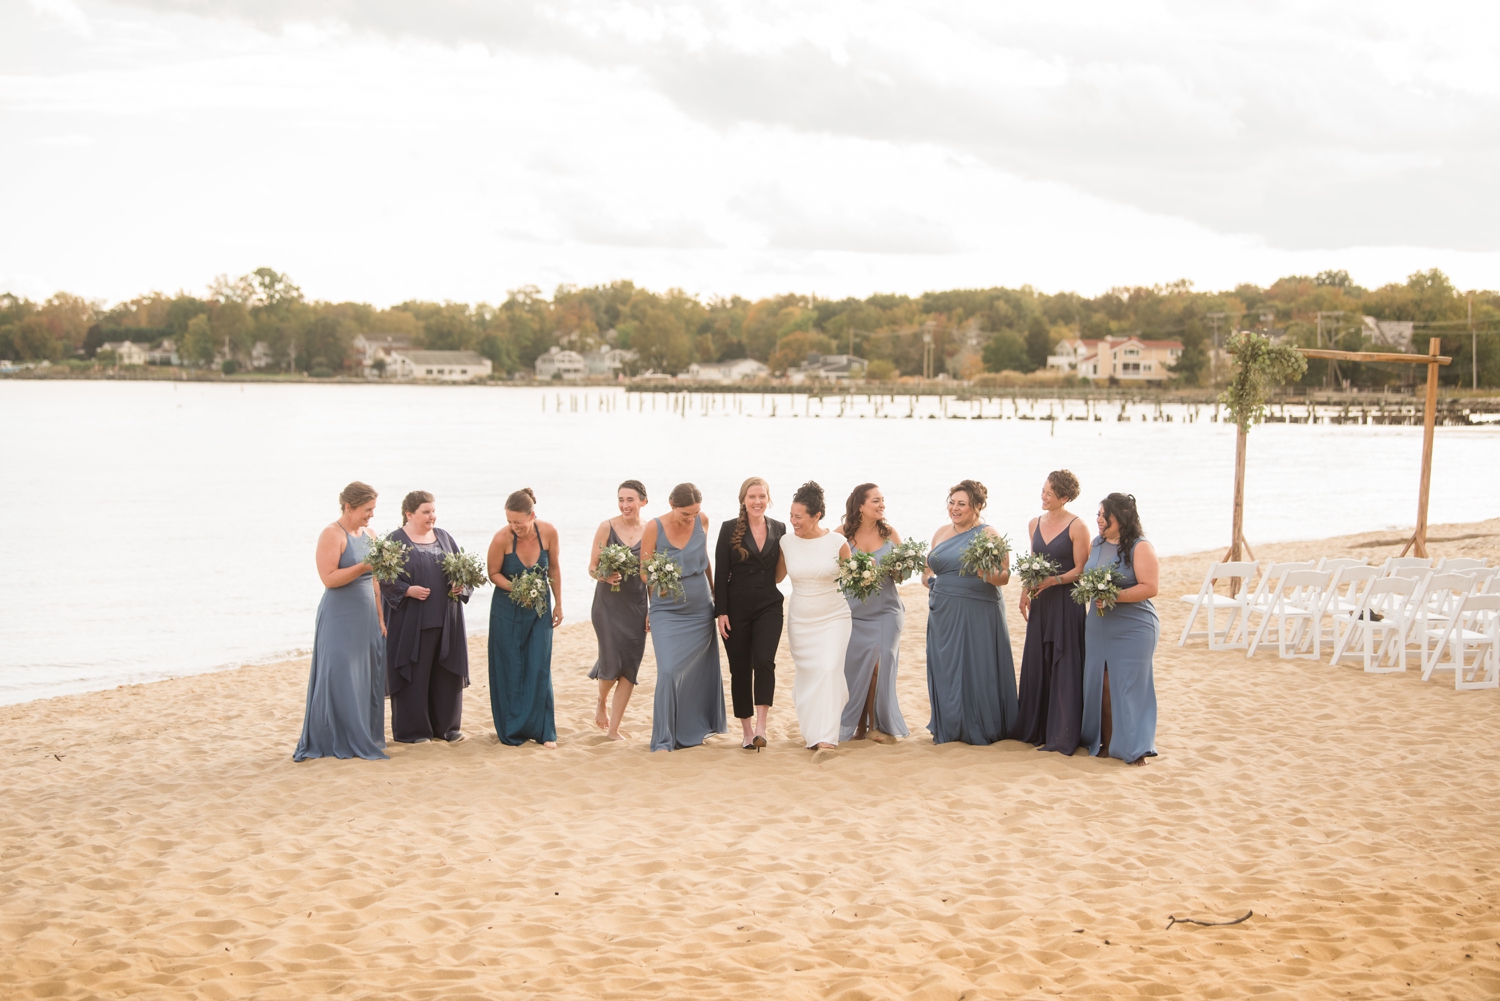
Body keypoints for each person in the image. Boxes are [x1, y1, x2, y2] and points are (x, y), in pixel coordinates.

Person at [294, 481, 388, 762]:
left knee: (365, 676)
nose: (371, 515)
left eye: (373, 509)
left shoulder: (369, 533)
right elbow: (329, 578)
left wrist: (381, 618)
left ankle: (364, 734)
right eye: (366, 509)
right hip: (339, 616)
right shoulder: (331, 534)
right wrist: (363, 566)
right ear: (349, 506)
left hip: (367, 616)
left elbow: (375, 581)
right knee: (339, 674)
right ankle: (334, 737)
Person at [922, 479, 1018, 745]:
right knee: (946, 668)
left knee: (976, 667)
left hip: (977, 609)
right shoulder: (941, 532)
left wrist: (986, 573)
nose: (955, 508)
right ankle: (951, 726)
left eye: (961, 504)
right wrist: (928, 579)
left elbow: (1005, 576)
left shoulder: (989, 534)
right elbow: (928, 571)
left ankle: (980, 726)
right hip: (943, 610)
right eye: (952, 502)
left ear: (977, 506)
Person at [641, 483, 727, 751]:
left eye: (695, 513)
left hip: (700, 606)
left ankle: (693, 729)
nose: (690, 518)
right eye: (685, 514)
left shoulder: (703, 520)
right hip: (666, 608)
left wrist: (716, 596)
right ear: (671, 504)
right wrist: (656, 587)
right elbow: (644, 571)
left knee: (697, 672)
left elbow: (704, 558)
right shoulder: (654, 527)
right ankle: (664, 737)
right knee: (668, 671)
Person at [381, 491, 470, 744]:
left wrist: (460, 586)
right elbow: (384, 579)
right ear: (409, 514)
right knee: (415, 674)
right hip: (412, 620)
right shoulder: (394, 541)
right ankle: (414, 732)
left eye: (433, 511)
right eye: (426, 512)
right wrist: (407, 590)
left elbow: (463, 571)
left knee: (446, 673)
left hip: (447, 619)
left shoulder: (443, 537)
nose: (432, 516)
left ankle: (447, 728)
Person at [1079, 493, 1160, 766]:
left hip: (1134, 626)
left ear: (1121, 518)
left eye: (1105, 516)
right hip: (1099, 624)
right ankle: (1107, 741)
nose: (1099, 520)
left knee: (1128, 685)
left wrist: (1114, 597)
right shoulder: (1097, 543)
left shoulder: (1140, 547)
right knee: (1101, 684)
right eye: (1099, 515)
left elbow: (1150, 587)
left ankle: (1135, 748)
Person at [1015, 470, 1091, 754]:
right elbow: (1033, 560)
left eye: (1049, 493)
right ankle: (1036, 727)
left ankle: (1062, 731)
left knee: (1064, 661)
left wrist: (1055, 581)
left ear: (1064, 497)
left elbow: (1081, 569)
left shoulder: (1077, 526)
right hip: (1041, 601)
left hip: (1066, 602)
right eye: (1043, 491)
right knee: (1038, 659)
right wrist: (1026, 589)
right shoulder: (1034, 523)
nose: (1043, 497)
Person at [778, 481, 853, 751]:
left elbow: (854, 579)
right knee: (809, 675)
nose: (793, 521)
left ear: (816, 516)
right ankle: (814, 733)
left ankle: (827, 738)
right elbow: (776, 577)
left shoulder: (837, 542)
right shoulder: (786, 542)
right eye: (791, 515)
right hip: (801, 620)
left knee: (830, 668)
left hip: (835, 617)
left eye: (799, 516)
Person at [486, 488, 562, 748]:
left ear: (532, 515)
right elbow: (493, 573)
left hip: (539, 609)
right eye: (509, 521)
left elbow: (553, 568)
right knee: (511, 667)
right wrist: (516, 588)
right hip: (506, 612)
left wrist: (559, 603)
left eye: (518, 521)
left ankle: (544, 731)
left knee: (539, 666)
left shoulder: (549, 532)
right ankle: (512, 729)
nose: (513, 526)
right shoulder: (501, 539)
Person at [714, 477, 786, 750]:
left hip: (769, 605)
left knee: (765, 662)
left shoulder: (779, 527)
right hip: (735, 607)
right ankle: (746, 732)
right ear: (743, 500)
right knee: (740, 668)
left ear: (769, 499)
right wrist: (721, 612)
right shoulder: (728, 528)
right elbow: (721, 573)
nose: (757, 501)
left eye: (762, 496)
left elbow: (782, 568)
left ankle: (761, 727)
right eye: (752, 497)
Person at [835, 483, 910, 743]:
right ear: (860, 506)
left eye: (882, 500)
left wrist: (899, 569)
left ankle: (876, 726)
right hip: (853, 614)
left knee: (880, 665)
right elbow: (826, 566)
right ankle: (858, 725)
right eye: (876, 501)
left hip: (887, 611)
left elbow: (901, 575)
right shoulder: (841, 534)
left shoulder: (889, 533)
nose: (882, 505)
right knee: (856, 669)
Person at [587, 479, 651, 741]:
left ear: (643, 502)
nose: (625, 505)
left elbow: (651, 574)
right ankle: (601, 699)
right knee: (612, 659)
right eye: (621, 500)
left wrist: (652, 609)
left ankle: (613, 729)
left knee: (630, 667)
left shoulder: (651, 530)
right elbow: (591, 567)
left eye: (630, 500)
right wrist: (604, 575)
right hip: (607, 606)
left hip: (636, 606)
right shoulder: (607, 527)